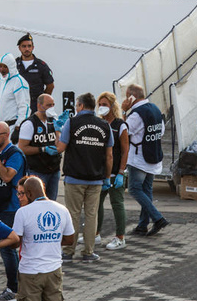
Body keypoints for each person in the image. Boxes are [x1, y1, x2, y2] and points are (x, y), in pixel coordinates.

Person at [57, 93, 113, 262]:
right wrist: (107, 177)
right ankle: (88, 252)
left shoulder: (72, 122)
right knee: (91, 215)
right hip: (96, 178)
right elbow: (109, 156)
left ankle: (68, 251)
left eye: (77, 105)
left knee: (73, 215)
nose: (76, 108)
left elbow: (60, 148)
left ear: (81, 106)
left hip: (74, 177)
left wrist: (57, 130)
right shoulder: (105, 125)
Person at [0, 122, 27, 301]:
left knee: (8, 249)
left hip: (11, 209)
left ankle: (13, 289)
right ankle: (16, 287)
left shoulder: (15, 154)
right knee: (7, 250)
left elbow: (7, 176)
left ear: (7, 135)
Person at [12, 177, 74, 301]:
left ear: (29, 193)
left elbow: (15, 243)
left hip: (30, 272)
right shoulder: (62, 210)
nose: (19, 197)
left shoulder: (23, 212)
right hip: (54, 270)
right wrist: (50, 240)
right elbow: (69, 240)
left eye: (22, 193)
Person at [120, 85, 169, 237]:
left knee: (134, 189)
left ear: (131, 97)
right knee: (147, 191)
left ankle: (158, 218)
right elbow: (161, 131)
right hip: (154, 156)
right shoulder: (155, 109)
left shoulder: (136, 114)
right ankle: (142, 225)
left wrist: (123, 112)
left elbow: (124, 132)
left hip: (139, 159)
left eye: (127, 97)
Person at [95, 92, 128, 250]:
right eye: (100, 105)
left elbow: (125, 150)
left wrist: (121, 172)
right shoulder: (99, 124)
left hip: (115, 173)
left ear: (112, 106)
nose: (102, 107)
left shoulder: (120, 125)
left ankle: (120, 237)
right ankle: (95, 234)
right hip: (100, 173)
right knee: (96, 204)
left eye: (105, 105)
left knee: (117, 204)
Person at [17, 94, 61, 201]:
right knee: (37, 201)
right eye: (48, 105)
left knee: (52, 202)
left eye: (53, 105)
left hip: (54, 169)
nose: (51, 108)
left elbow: (58, 144)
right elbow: (22, 148)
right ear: (39, 105)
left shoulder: (53, 121)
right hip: (37, 170)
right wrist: (43, 149)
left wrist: (59, 130)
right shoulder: (30, 124)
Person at [15, 34, 55, 108]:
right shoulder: (14, 65)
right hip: (17, 104)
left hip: (35, 105)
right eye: (24, 46)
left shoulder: (41, 65)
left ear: (33, 47)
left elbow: (50, 86)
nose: (27, 49)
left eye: (29, 46)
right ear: (19, 48)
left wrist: (43, 101)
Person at [0, 53, 31, 133]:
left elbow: (24, 106)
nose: (1, 69)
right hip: (2, 127)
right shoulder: (4, 82)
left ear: (11, 67)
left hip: (12, 127)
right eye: (0, 66)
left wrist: (19, 126)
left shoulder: (19, 82)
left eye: (5, 67)